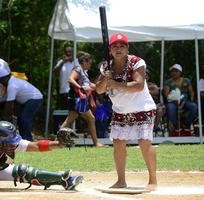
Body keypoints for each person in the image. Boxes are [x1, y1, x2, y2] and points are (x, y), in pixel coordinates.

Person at [96, 33, 157, 190]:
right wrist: (105, 78)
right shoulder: (105, 66)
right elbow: (100, 90)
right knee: (118, 143)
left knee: (144, 142)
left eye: (122, 45)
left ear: (127, 48)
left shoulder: (137, 62)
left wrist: (115, 83)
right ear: (110, 49)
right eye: (115, 46)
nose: (118, 48)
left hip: (142, 108)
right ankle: (121, 181)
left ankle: (153, 180)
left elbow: (138, 85)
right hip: (120, 110)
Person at [59, 52, 103, 147]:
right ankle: (56, 142)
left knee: (86, 119)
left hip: (81, 101)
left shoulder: (84, 72)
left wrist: (103, 86)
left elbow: (91, 85)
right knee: (69, 121)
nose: (90, 64)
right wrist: (80, 87)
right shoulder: (78, 68)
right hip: (77, 99)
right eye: (89, 62)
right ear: (83, 61)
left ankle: (96, 143)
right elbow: (70, 79)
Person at [0, 69, 43, 141]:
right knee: (21, 119)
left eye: (0, 80)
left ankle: (28, 140)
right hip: (29, 100)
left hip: (35, 99)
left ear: (5, 77)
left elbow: (9, 105)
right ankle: (23, 140)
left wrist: (4, 119)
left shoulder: (12, 85)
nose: (0, 82)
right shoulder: (13, 80)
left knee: (24, 119)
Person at [162, 64, 197, 133]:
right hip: (172, 102)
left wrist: (191, 100)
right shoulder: (168, 82)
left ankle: (187, 124)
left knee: (194, 106)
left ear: (180, 72)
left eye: (176, 71)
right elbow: (166, 94)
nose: (174, 73)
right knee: (169, 108)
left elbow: (191, 92)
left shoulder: (186, 81)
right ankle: (177, 126)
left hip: (186, 102)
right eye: (172, 71)